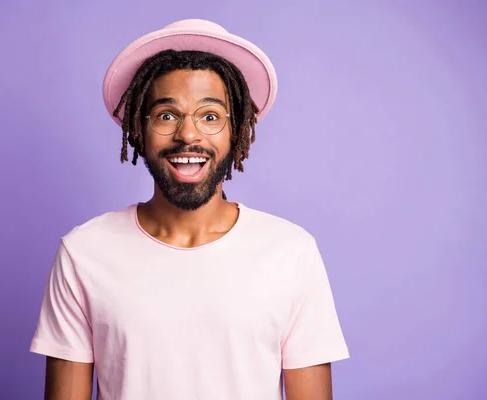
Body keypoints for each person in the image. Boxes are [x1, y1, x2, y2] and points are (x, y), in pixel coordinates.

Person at [30, 19, 349, 400]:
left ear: (238, 131)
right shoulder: (84, 253)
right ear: (138, 130)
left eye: (210, 116)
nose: (188, 134)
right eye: (167, 115)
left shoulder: (290, 252)